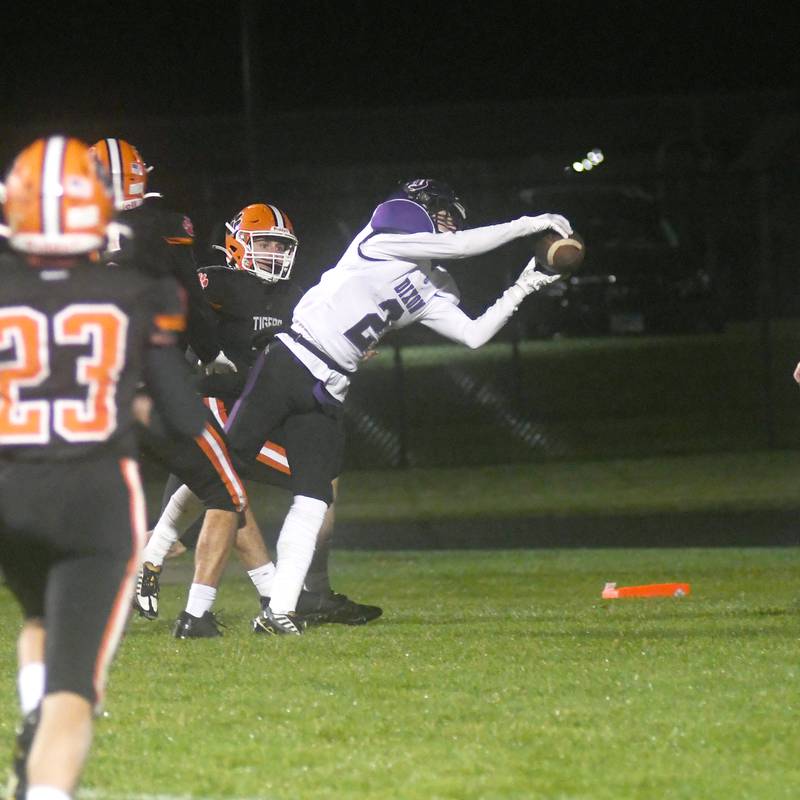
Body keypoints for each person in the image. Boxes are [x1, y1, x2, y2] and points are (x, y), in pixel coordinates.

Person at [224, 177, 572, 634]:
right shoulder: (386, 232)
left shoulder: (430, 284)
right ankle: (154, 554)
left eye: (450, 219)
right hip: (292, 358)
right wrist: (532, 223)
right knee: (218, 467)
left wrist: (527, 283)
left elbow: (473, 335)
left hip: (331, 384)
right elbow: (462, 247)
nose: (448, 226)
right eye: (441, 215)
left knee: (314, 498)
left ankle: (279, 611)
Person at [0, 136, 206, 800]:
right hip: (94, 497)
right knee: (76, 690)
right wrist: (130, 407)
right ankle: (45, 770)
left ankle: (32, 725)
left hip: (10, 492)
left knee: (40, 615)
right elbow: (186, 419)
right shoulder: (138, 291)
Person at [141, 203, 381, 631]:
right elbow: (176, 306)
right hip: (214, 406)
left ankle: (279, 592)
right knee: (282, 487)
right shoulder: (218, 280)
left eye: (279, 245)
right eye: (264, 243)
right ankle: (290, 594)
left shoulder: (295, 296)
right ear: (238, 244)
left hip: (256, 409)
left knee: (236, 494)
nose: (273, 252)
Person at [90, 137, 251, 639]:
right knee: (227, 492)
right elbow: (191, 304)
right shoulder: (166, 225)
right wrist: (211, 352)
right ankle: (196, 616)